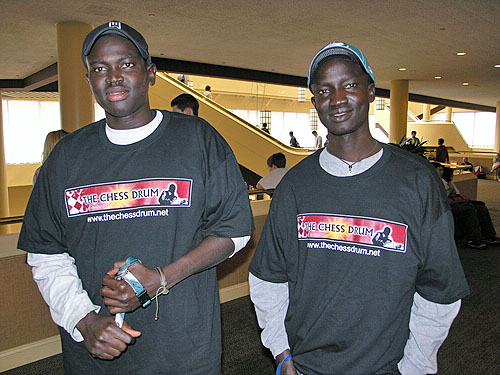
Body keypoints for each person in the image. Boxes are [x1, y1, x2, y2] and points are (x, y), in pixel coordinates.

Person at [18, 21, 254, 374]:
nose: (113, 76)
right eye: (100, 68)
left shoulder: (197, 140)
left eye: (126, 64)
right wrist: (84, 321)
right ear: (88, 81)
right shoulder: (66, 157)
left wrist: (160, 277)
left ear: (151, 73)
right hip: (98, 353)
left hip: (184, 351)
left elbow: (234, 231)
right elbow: (46, 254)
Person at [249, 41, 469, 375]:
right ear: (315, 102)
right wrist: (282, 353)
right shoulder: (295, 185)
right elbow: (269, 278)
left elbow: (440, 290)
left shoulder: (416, 180)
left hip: (389, 367)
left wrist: (413, 366)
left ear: (370, 91)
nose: (337, 99)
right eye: (324, 90)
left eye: (349, 85)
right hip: (307, 365)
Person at [440, 166, 500, 249]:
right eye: (440, 170)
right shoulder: (439, 183)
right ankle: (474, 240)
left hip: (456, 202)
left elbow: (458, 194)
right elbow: (443, 199)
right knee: (470, 211)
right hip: (448, 206)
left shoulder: (449, 182)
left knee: (481, 207)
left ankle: (489, 235)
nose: (442, 171)